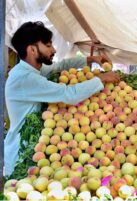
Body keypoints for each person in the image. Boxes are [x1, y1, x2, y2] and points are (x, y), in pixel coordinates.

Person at [5, 21, 120, 176]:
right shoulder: (25, 78)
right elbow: (69, 94)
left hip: (36, 148)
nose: (53, 49)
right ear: (32, 49)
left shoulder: (30, 70)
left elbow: (60, 65)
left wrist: (90, 60)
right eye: (48, 45)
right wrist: (102, 79)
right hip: (23, 154)